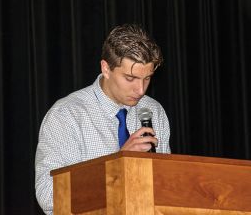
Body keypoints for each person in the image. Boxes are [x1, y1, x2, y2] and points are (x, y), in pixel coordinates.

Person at [35, 24, 171, 214]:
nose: (140, 90)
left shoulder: (153, 111)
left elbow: (167, 189)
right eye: (130, 79)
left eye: (147, 78)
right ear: (106, 68)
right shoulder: (67, 115)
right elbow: (48, 195)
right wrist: (116, 165)